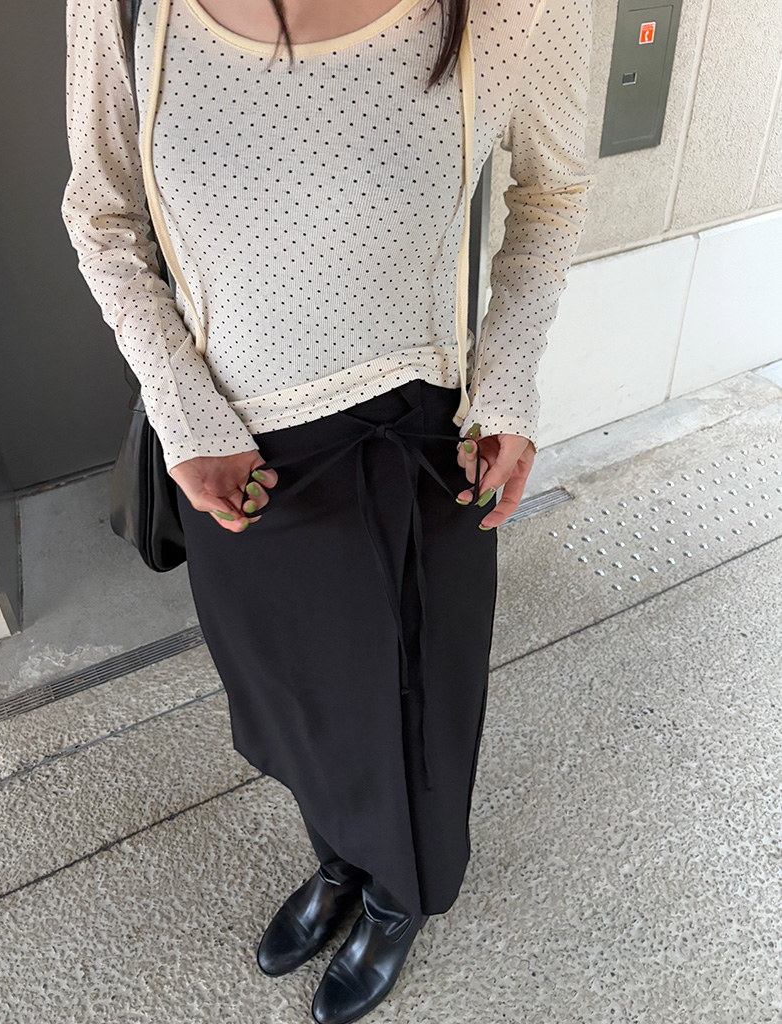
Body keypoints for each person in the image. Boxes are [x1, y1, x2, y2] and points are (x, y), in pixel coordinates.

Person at [60, 0, 595, 1020]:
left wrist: (508, 382)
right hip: (235, 457)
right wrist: (183, 411)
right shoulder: (121, 6)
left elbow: (553, 191)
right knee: (292, 697)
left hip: (418, 444)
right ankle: (343, 862)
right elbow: (103, 215)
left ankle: (399, 897)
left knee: (414, 713)